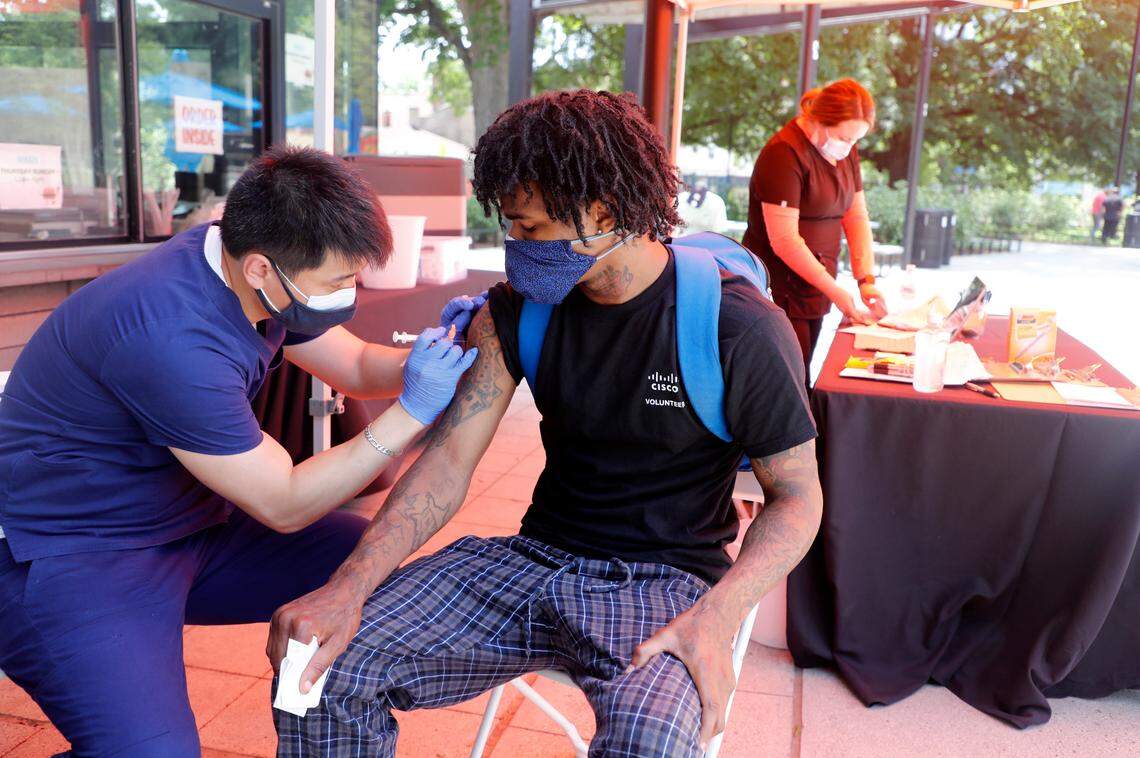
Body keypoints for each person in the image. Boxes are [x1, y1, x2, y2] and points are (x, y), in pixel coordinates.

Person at [270, 90, 823, 757]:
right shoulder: (518, 310)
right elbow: (445, 466)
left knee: (651, 740)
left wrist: (720, 613)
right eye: (509, 226)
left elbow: (795, 497)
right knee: (318, 671)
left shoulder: (736, 327)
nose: (515, 248)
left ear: (604, 211)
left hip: (662, 580)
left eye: (530, 229)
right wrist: (348, 587)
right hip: (530, 560)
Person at [0, 146, 480, 756]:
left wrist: (440, 354)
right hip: (75, 552)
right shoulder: (170, 336)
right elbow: (282, 503)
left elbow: (356, 365)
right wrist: (412, 412)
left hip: (193, 528)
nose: (349, 293)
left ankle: (324, 715)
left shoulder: (243, 262)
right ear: (260, 269)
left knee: (369, 568)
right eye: (338, 281)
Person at [742, 78, 886, 380]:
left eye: (855, 140)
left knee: (804, 370)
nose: (848, 147)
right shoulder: (783, 154)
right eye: (844, 138)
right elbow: (784, 240)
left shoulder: (846, 151)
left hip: (816, 284)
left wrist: (866, 281)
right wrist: (836, 292)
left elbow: (856, 217)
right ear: (819, 120)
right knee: (788, 380)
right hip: (778, 288)